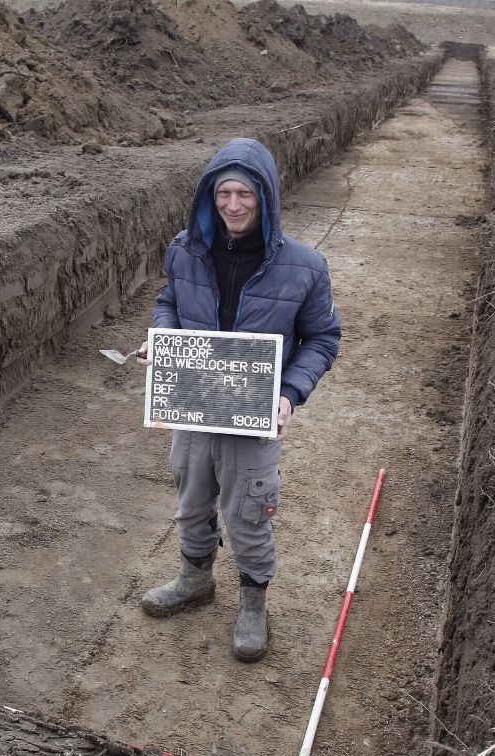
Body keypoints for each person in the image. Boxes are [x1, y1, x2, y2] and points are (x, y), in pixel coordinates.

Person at [137, 137, 341, 662]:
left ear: (266, 197)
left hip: (253, 409)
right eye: (223, 193)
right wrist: (164, 344)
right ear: (210, 196)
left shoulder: (304, 266)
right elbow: (168, 303)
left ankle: (253, 602)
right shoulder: (186, 249)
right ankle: (195, 579)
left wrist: (290, 395)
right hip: (197, 400)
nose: (233, 205)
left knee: (250, 507)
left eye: (244, 194)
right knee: (191, 494)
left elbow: (322, 339)